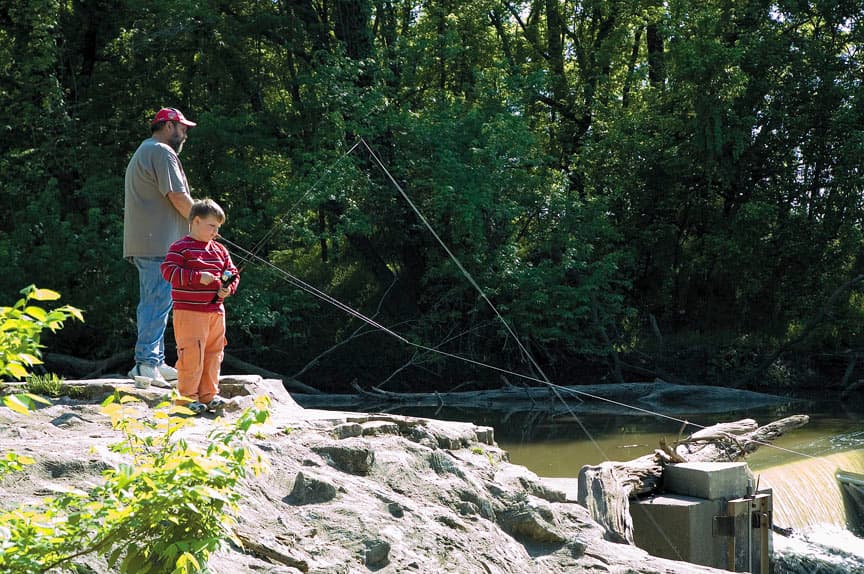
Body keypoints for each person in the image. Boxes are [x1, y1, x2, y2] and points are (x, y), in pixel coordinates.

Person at [123, 107, 197, 386]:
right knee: (156, 301)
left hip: (151, 242)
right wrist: (204, 225)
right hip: (158, 243)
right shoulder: (162, 151)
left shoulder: (147, 149)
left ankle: (155, 360)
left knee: (159, 302)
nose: (185, 133)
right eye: (183, 128)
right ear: (168, 126)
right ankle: (145, 363)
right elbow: (178, 197)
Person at [161, 198, 239, 414]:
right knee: (191, 355)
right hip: (189, 313)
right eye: (211, 226)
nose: (216, 231)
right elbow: (167, 272)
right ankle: (187, 399)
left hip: (216, 312)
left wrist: (228, 288)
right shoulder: (180, 248)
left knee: (215, 354)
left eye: (218, 227)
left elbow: (233, 274)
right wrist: (197, 277)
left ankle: (209, 395)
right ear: (195, 221)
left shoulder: (220, 250)